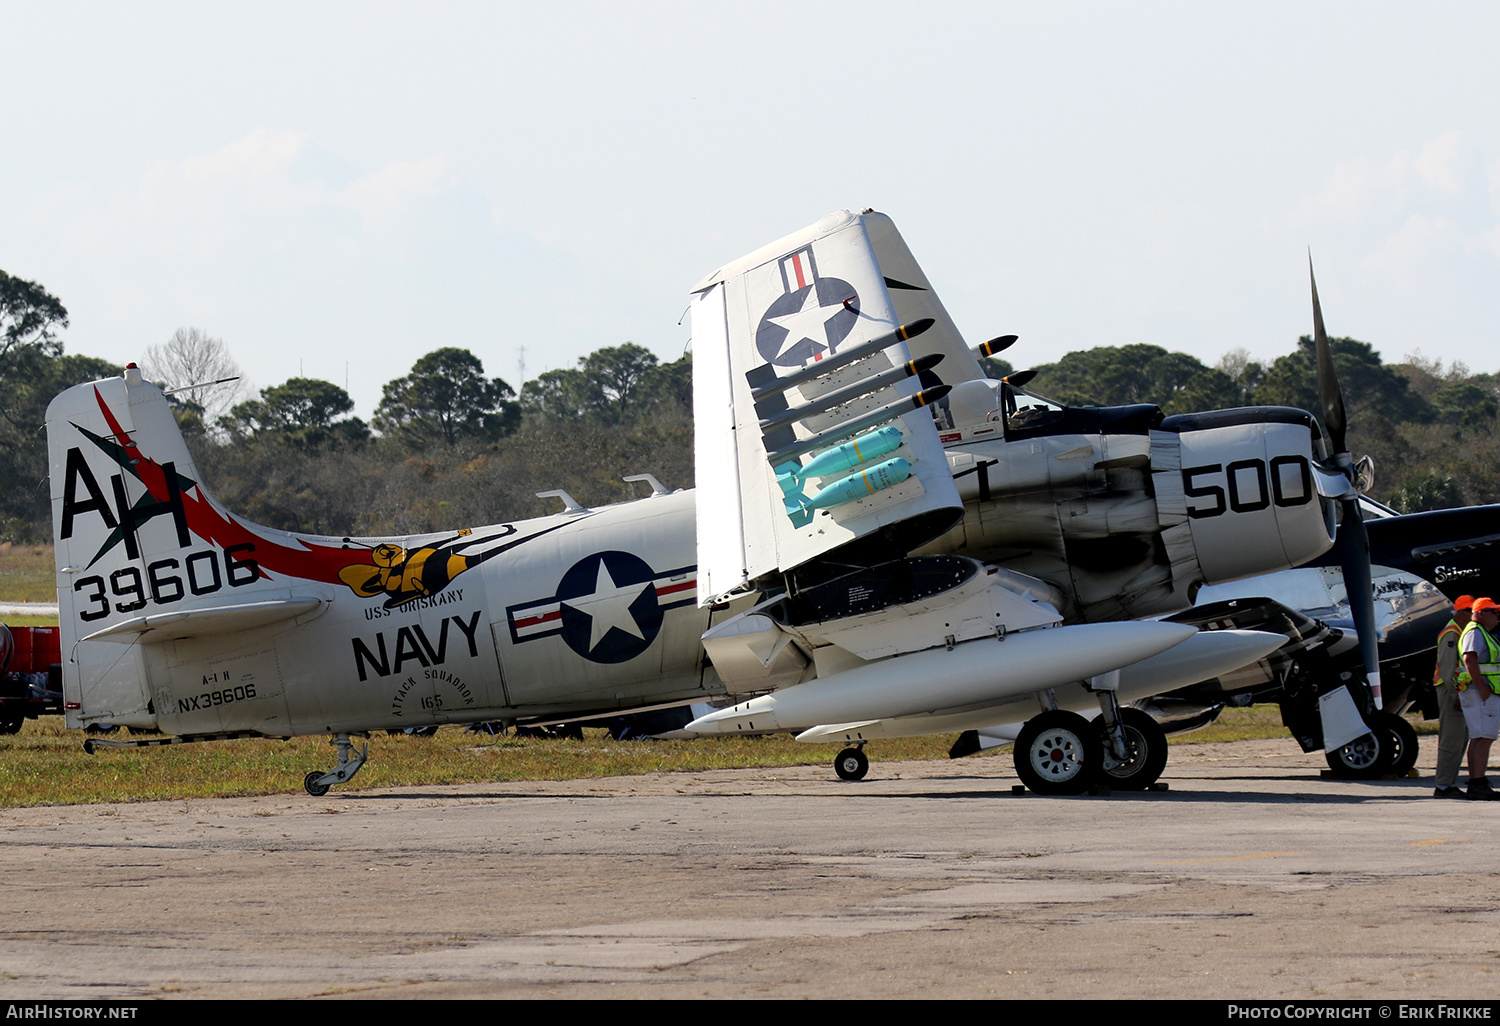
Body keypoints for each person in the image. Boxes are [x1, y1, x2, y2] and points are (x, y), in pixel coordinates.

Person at [1457, 596, 1500, 799]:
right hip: (1480, 692)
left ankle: (1477, 781)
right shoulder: (1475, 632)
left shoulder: (1481, 632)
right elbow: (1469, 658)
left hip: (1478, 691)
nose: (1497, 617)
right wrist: (1483, 688)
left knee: (1479, 737)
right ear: (1481, 613)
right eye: (1494, 612)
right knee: (1485, 737)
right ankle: (1477, 783)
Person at [1432, 596, 1474, 798]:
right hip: (1451, 691)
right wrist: (1456, 695)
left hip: (1457, 690)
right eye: (1471, 611)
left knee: (1460, 739)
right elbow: (1448, 670)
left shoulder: (1459, 631)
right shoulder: (1451, 634)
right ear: (1461, 612)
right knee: (1452, 740)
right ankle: (1443, 785)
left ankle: (1448, 783)